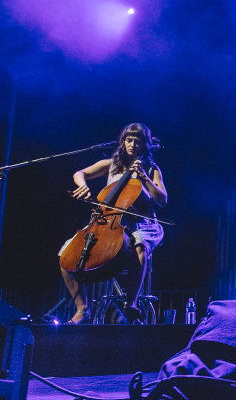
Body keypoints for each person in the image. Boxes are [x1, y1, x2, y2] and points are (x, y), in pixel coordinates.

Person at [59, 123, 167, 324]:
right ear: (123, 141)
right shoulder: (111, 165)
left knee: (140, 243)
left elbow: (162, 200)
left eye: (138, 141)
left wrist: (145, 179)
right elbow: (79, 173)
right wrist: (82, 186)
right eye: (129, 140)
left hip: (143, 223)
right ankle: (82, 310)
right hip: (107, 221)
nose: (133, 144)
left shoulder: (151, 169)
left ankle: (131, 303)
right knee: (65, 255)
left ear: (145, 145)